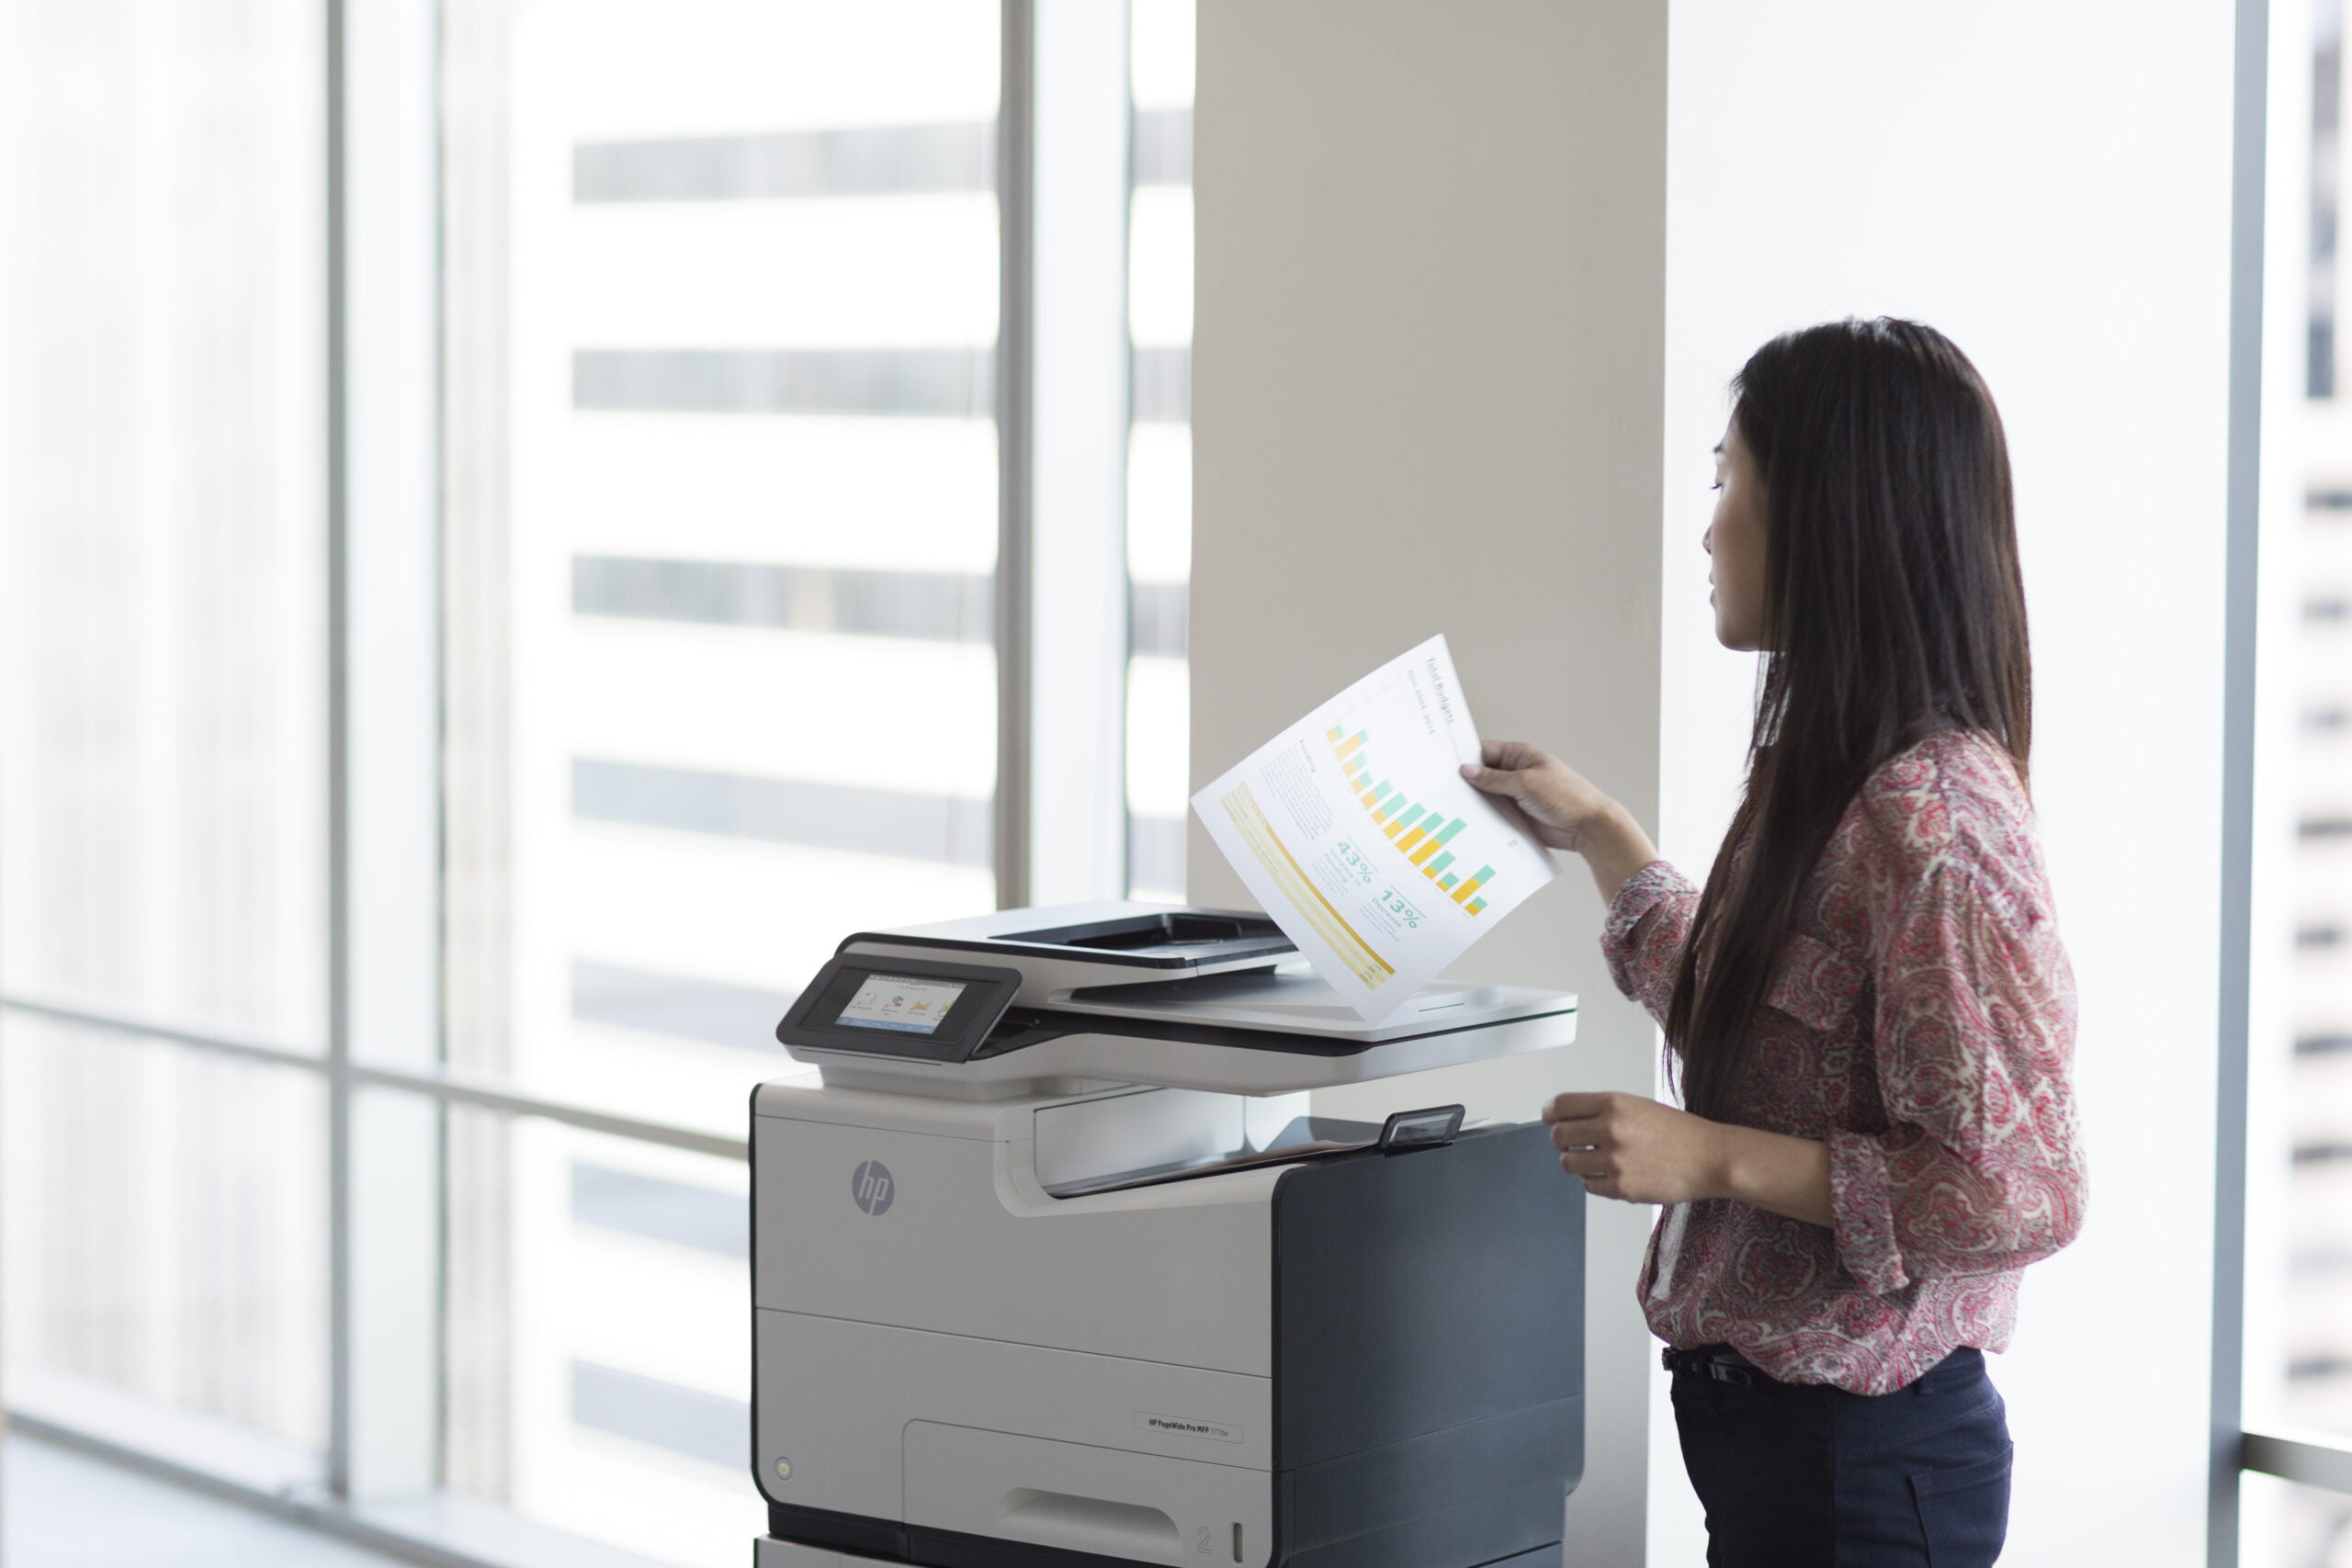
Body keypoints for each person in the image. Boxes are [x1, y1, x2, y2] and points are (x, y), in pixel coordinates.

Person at [1463, 317, 2086, 1567]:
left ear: (1824, 514)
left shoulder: (1937, 820)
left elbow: (2019, 1189)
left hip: (1864, 1472)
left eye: (1726, 481)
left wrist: (1718, 1161)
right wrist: (1603, 837)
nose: (1708, 527)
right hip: (1791, 1463)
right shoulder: (1836, 779)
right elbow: (1767, 1032)